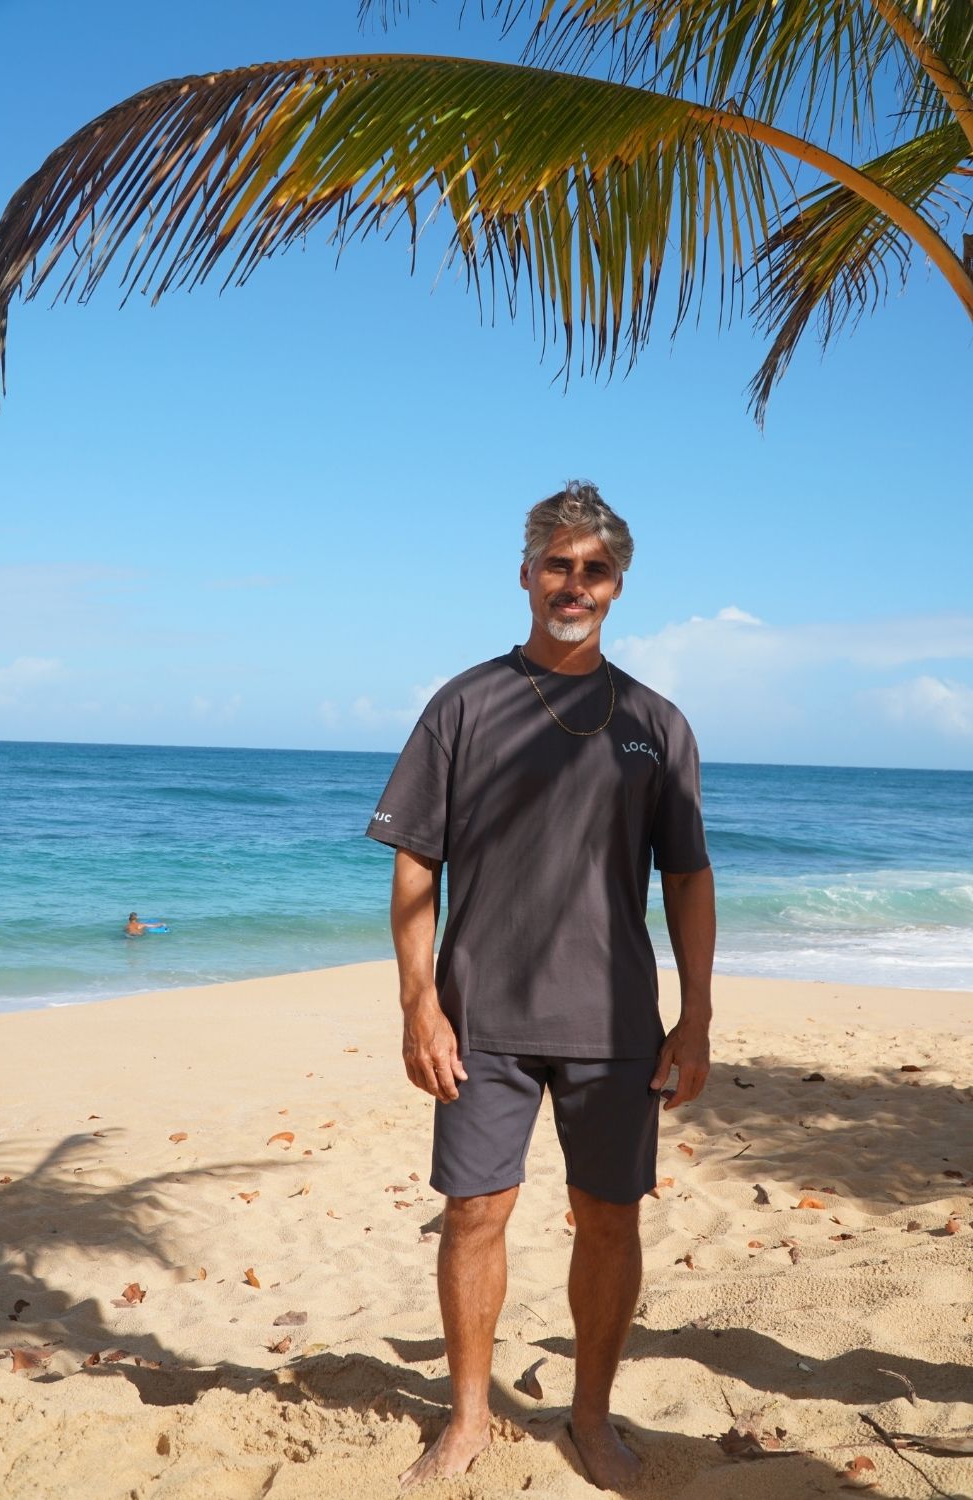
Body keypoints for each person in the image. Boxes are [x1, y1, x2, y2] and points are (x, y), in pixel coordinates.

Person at [366, 481, 715, 1491]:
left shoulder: (655, 721)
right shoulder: (465, 704)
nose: (574, 583)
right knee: (475, 1214)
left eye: (594, 568)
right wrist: (417, 1003)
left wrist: (694, 1018)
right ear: (526, 575)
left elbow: (687, 879)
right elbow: (414, 863)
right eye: (557, 564)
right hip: (482, 1019)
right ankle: (467, 1418)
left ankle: (592, 1419)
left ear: (618, 586)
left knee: (609, 1218)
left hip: (613, 1023)